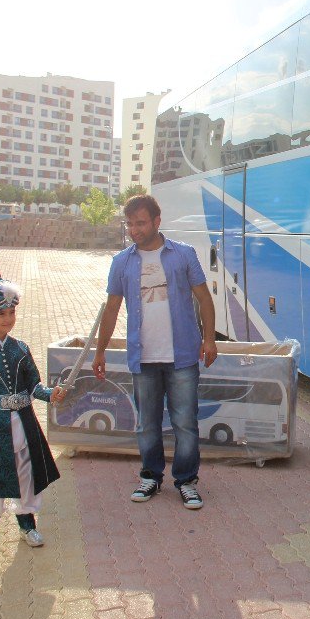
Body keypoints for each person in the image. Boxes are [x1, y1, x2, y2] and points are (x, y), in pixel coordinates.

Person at [92, 194, 218, 509]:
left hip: (182, 357)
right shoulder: (122, 262)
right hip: (143, 357)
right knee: (147, 423)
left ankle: (187, 481)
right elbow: (111, 309)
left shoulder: (183, 255)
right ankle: (150, 477)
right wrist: (100, 352)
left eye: (141, 223)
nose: (134, 229)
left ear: (157, 221)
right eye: (130, 223)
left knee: (185, 422)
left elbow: (204, 298)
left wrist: (210, 339)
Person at [0, 278, 67, 550]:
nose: (8, 318)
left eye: (11, 312)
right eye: (0, 313)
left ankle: (27, 523)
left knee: (26, 473)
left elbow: (33, 387)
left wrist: (51, 394)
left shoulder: (21, 348)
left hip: (24, 424)